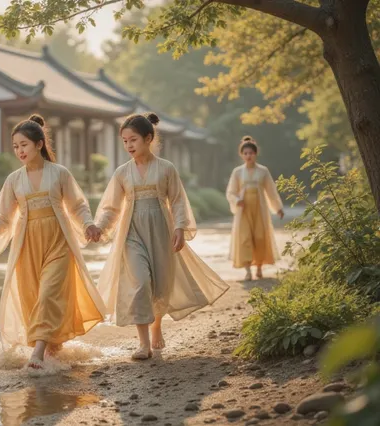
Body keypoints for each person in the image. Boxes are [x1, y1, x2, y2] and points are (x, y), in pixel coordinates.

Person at [0, 114, 106, 369]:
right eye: (16, 146)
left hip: (58, 242)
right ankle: (53, 352)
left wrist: (88, 224)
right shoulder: (14, 179)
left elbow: (77, 206)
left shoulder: (59, 174)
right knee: (33, 299)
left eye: (24, 145)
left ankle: (37, 355)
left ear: (39, 144)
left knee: (48, 294)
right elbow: (3, 216)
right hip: (27, 247)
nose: (19, 151)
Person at [95, 113, 229, 360]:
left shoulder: (167, 168)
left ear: (148, 138)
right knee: (140, 284)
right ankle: (143, 344)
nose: (129, 146)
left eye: (133, 140)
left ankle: (157, 325)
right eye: (124, 141)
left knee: (160, 287)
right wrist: (99, 227)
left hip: (161, 232)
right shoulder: (122, 173)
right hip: (132, 233)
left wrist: (179, 227)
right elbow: (111, 207)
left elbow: (177, 201)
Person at [226, 136, 284, 281]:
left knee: (259, 237)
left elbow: (271, 191)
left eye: (250, 153)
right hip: (243, 209)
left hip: (260, 208)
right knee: (245, 238)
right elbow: (231, 191)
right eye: (245, 153)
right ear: (241, 155)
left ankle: (258, 267)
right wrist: (237, 200)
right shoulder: (237, 172)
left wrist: (278, 208)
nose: (248, 156)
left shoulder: (263, 171)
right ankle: (247, 271)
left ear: (255, 154)